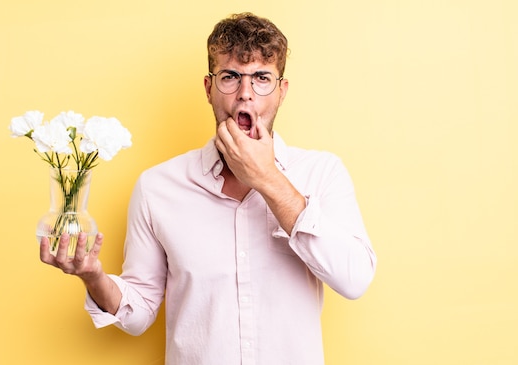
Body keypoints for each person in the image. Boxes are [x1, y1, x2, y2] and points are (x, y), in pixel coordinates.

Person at [40, 12, 377, 365]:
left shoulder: (322, 173)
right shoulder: (157, 187)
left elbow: (354, 280)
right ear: (209, 88)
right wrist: (94, 277)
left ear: (281, 92)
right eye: (230, 77)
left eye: (262, 78)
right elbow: (138, 313)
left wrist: (268, 179)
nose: (245, 94)